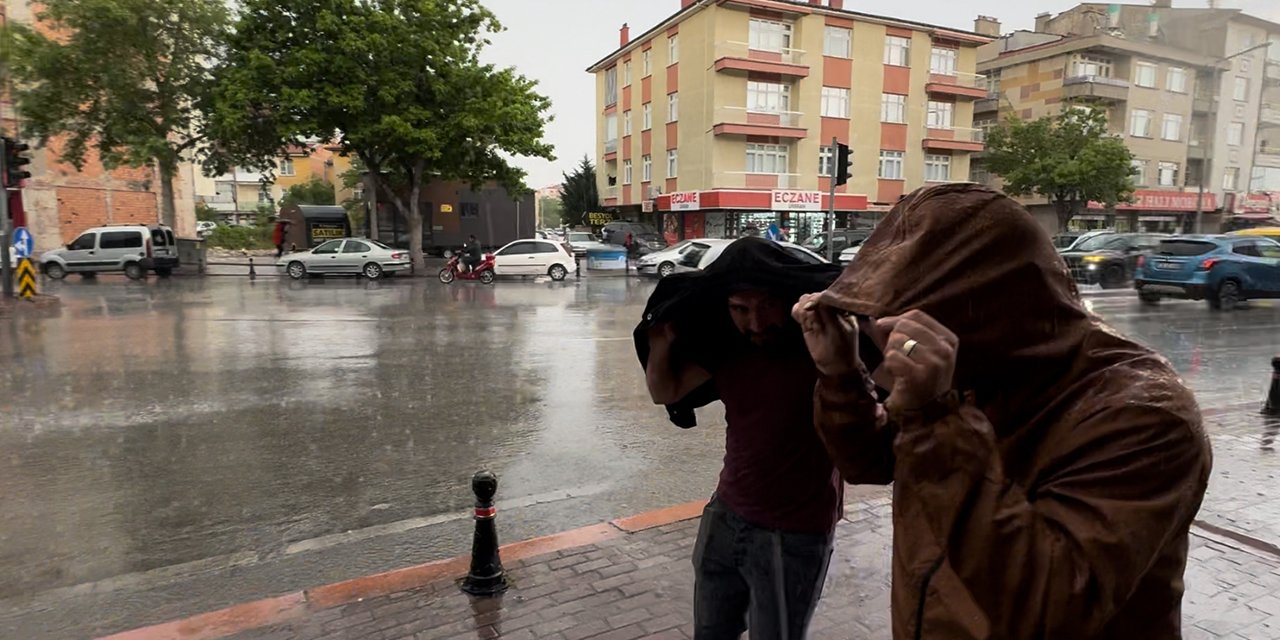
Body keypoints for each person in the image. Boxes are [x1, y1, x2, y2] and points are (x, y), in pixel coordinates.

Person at [792, 184, 1212, 639]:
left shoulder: (1146, 416)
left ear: (988, 309)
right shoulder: (974, 368)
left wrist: (936, 420)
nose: (890, 344)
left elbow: (1052, 608)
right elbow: (870, 463)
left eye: (909, 323)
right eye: (879, 319)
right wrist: (840, 374)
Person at [635, 238, 879, 640]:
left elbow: (890, 384)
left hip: (794, 533)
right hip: (725, 516)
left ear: (789, 300)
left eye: (767, 305)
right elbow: (666, 391)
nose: (756, 322)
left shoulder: (824, 350)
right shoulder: (729, 351)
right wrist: (660, 342)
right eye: (740, 309)